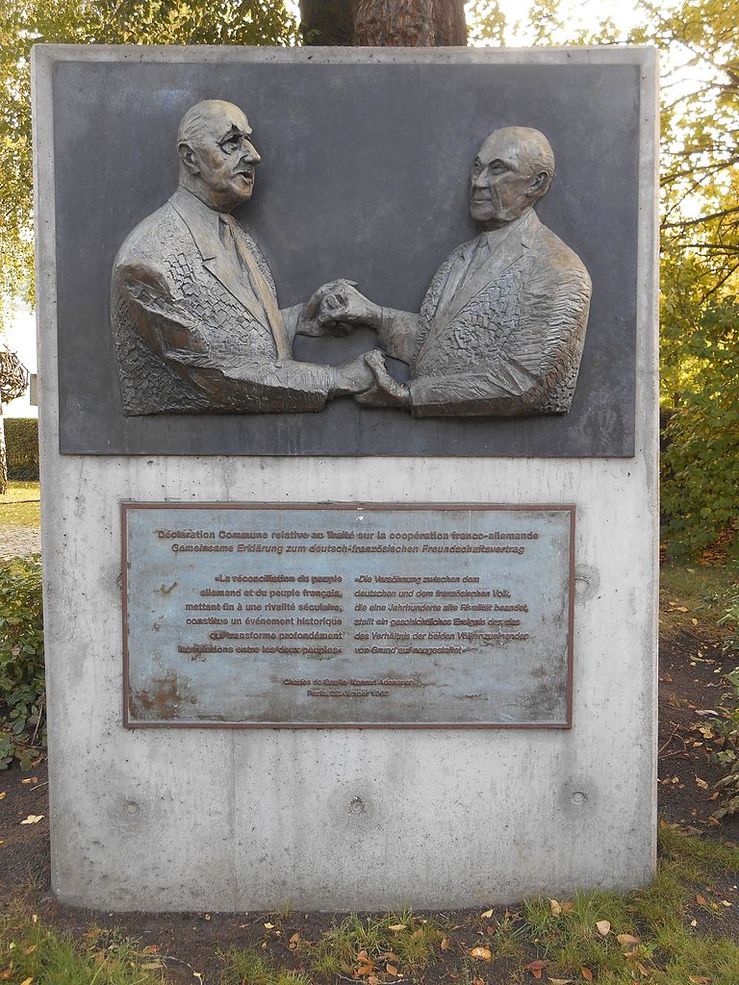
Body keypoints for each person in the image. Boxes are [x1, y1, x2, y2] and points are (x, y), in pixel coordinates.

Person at [111, 99, 374, 415]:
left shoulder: (234, 233)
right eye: (231, 142)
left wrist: (301, 319)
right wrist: (336, 379)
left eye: (248, 140)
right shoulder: (148, 260)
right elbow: (215, 373)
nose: (253, 155)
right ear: (190, 157)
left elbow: (231, 333)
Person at [309, 127, 592, 417]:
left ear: (537, 184)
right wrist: (373, 315)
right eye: (477, 168)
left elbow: (523, 383)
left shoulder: (558, 270)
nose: (479, 182)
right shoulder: (461, 257)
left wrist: (407, 396)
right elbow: (445, 346)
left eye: (497, 170)